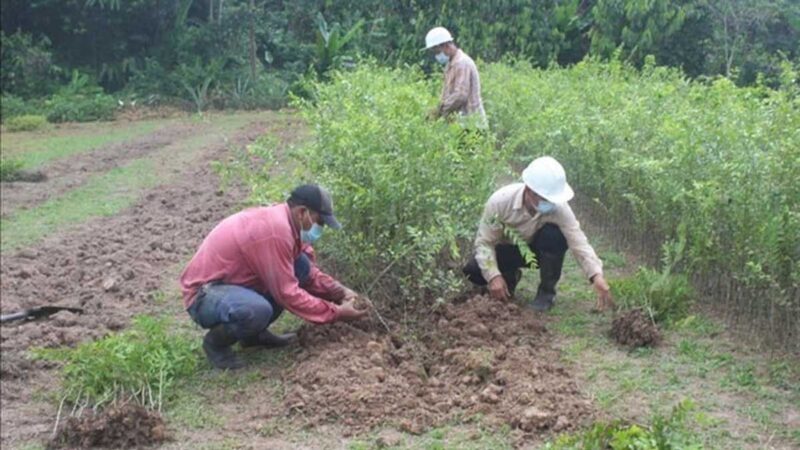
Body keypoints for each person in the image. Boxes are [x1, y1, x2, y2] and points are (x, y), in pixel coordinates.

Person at [179, 184, 368, 369]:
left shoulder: (287, 225)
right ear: (302, 212)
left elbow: (309, 275)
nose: (320, 228)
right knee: (256, 310)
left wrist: (341, 292)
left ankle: (253, 336)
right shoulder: (275, 232)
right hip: (204, 294)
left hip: (234, 284)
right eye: (319, 222)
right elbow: (287, 293)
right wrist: (337, 313)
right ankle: (215, 345)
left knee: (300, 265)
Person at [463, 156, 614, 312]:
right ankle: (509, 276)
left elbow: (578, 242)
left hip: (537, 252)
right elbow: (485, 243)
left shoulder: (558, 208)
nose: (549, 203)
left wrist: (596, 276)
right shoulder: (499, 203)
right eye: (545, 199)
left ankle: (546, 293)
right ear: (529, 191)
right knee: (473, 270)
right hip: (505, 250)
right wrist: (493, 276)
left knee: (554, 236)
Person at [424, 26, 487, 128]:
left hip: (472, 125)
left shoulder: (461, 63)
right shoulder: (451, 64)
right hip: (461, 124)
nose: (436, 55)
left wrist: (439, 111)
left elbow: (460, 95)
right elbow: (448, 93)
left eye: (437, 51)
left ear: (445, 45)